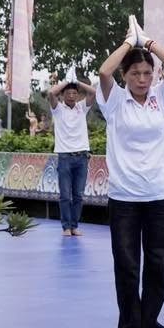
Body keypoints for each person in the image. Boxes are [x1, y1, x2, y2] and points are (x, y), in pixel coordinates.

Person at [97, 28, 164, 328]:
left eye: (148, 72)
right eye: (135, 73)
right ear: (125, 75)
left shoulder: (162, 97)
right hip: (124, 196)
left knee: (159, 262)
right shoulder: (114, 101)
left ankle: (151, 325)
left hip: (159, 193)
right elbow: (104, 72)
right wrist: (128, 42)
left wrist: (148, 43)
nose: (142, 79)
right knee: (127, 264)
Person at [48, 74, 96, 238]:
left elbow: (93, 92)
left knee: (78, 195)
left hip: (82, 157)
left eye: (74, 93)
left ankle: (74, 226)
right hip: (65, 157)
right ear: (63, 95)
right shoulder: (58, 109)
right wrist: (67, 82)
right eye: (68, 93)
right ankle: (66, 227)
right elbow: (51, 93)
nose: (71, 96)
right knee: (65, 195)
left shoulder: (82, 108)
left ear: (78, 95)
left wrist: (77, 82)